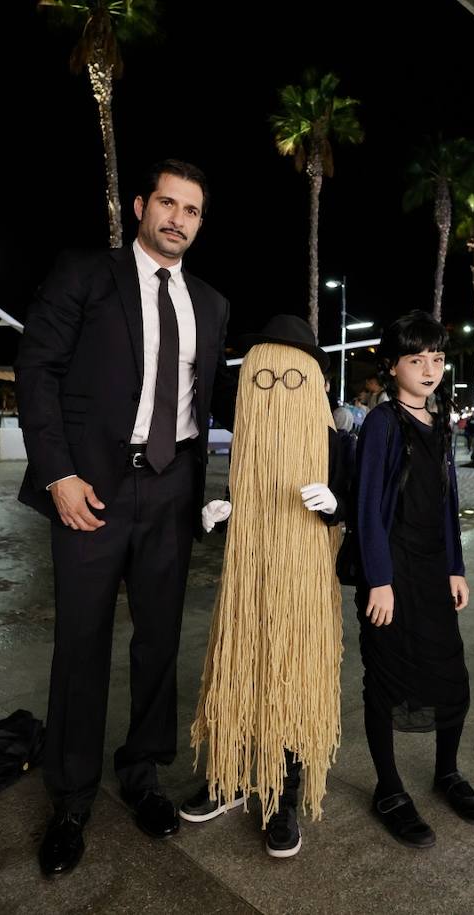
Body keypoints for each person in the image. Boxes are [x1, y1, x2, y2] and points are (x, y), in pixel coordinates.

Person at [14, 160, 237, 880]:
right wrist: (58, 474)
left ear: (201, 221)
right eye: (167, 202)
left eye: (191, 209)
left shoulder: (211, 302)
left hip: (171, 492)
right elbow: (36, 369)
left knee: (160, 644)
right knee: (81, 646)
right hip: (90, 492)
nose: (177, 217)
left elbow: (204, 402)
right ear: (142, 205)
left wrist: (212, 486)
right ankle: (72, 798)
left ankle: (143, 772)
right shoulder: (85, 273)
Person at [184, 317, 346, 859]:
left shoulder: (333, 443)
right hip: (248, 582)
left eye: (291, 378)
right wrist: (220, 515)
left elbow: (360, 512)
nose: (276, 385)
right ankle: (230, 776)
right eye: (265, 377)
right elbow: (246, 503)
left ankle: (285, 796)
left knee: (295, 675)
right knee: (241, 667)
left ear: (313, 381)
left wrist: (334, 509)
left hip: (304, 587)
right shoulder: (247, 443)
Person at [350, 311, 474, 850]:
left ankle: (446, 772)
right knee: (386, 680)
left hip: (432, 571)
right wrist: (378, 580)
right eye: (416, 359)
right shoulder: (384, 422)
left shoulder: (440, 419)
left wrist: (456, 566)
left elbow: (449, 506)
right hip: (393, 573)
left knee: (450, 677)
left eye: (436, 357)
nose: (429, 368)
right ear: (392, 366)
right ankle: (388, 788)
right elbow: (366, 510)